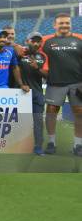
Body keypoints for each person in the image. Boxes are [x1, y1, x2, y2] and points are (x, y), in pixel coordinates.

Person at [40, 13, 82, 156]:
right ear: (54, 25)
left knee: (79, 113)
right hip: (55, 82)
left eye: (67, 23)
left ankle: (78, 145)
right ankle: (51, 142)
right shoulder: (45, 41)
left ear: (70, 24)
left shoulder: (80, 39)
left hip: (78, 83)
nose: (64, 25)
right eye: (61, 23)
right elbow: (31, 50)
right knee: (51, 112)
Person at [17, 32, 48, 155]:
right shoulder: (19, 54)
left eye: (38, 41)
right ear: (27, 41)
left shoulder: (43, 57)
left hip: (37, 94)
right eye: (33, 40)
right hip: (20, 93)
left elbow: (47, 75)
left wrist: (37, 68)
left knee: (38, 122)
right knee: (20, 121)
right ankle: (19, 147)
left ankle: (38, 147)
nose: (36, 43)